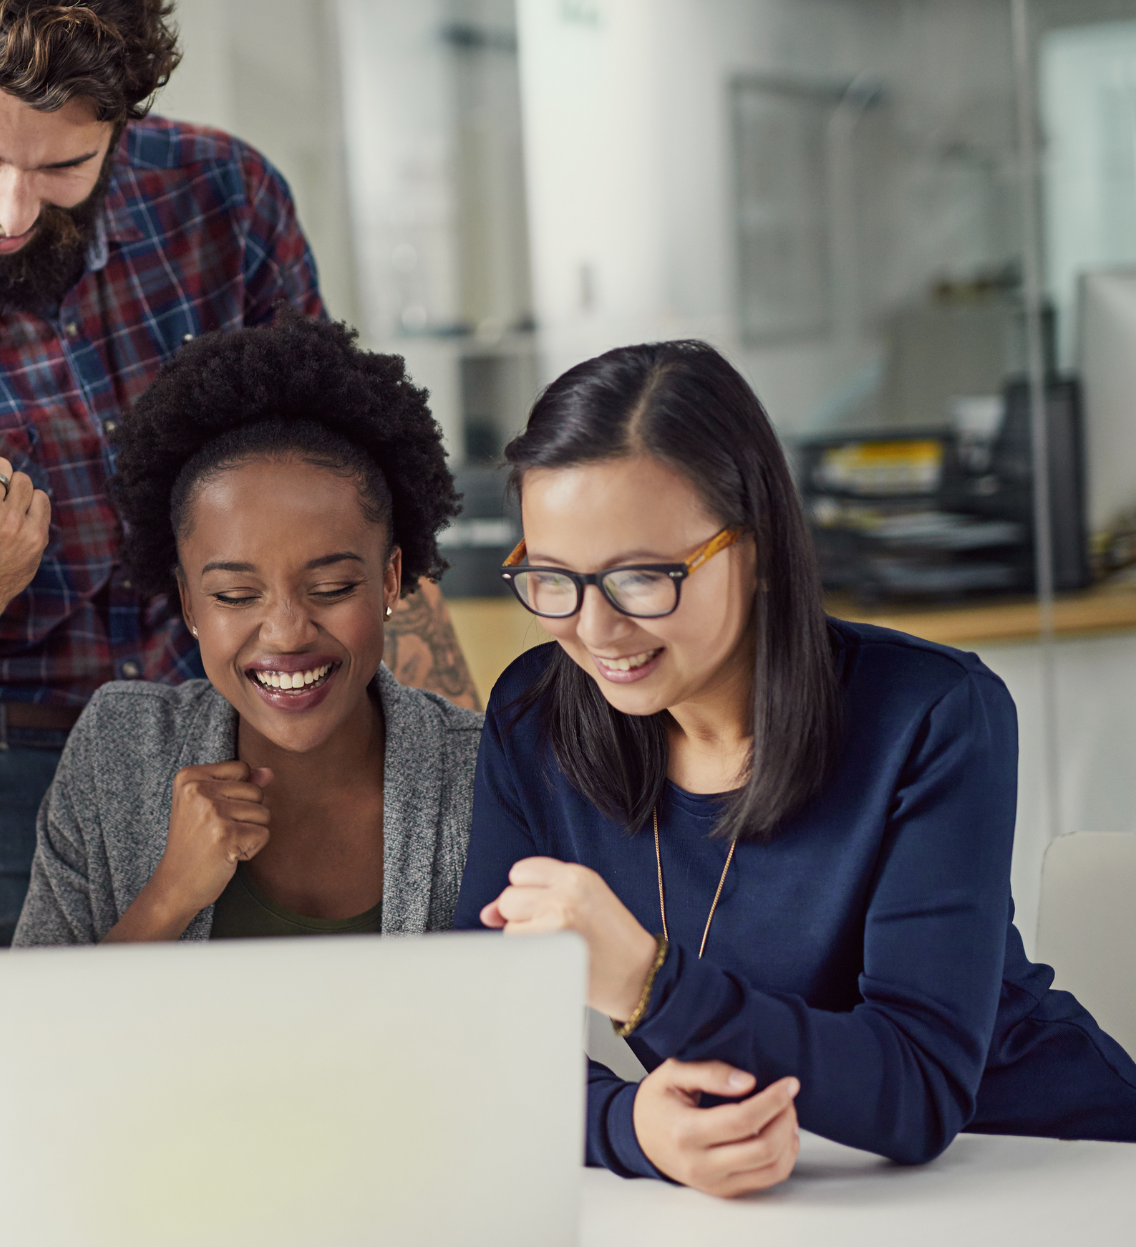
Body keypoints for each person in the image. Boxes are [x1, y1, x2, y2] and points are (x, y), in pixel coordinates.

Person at [0, 0, 479, 950]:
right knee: (12, 1088)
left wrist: (447, 771)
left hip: (244, 736)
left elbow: (349, 485)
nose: (13, 209)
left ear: (123, 122)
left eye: (63, 167)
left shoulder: (221, 199)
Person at [455, 340, 1136, 1198]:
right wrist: (630, 1127)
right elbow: (478, 1033)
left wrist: (647, 985)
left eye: (640, 577)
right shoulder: (535, 717)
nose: (595, 630)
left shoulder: (933, 715)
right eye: (554, 578)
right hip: (793, 1202)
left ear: (759, 548)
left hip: (1045, 1170)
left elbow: (920, 1088)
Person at [13, 313, 481, 946]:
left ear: (392, 579)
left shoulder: (481, 770)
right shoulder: (118, 753)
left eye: (332, 588)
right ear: (188, 603)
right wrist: (168, 897)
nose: (287, 633)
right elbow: (38, 1039)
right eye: (236, 594)